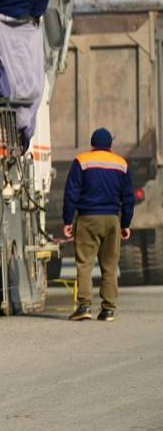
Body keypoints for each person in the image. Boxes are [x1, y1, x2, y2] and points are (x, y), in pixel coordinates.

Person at [62, 128, 135, 321]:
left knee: (84, 264)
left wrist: (67, 220)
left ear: (93, 143)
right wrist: (125, 223)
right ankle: (108, 309)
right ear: (110, 144)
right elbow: (128, 197)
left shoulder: (82, 161)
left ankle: (84, 306)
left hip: (87, 219)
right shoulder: (122, 164)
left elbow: (71, 192)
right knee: (110, 266)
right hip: (112, 220)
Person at [0, 0, 56, 151]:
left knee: (3, 62)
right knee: (33, 77)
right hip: (24, 28)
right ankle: (24, 125)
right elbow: (38, 11)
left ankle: (3, 94)